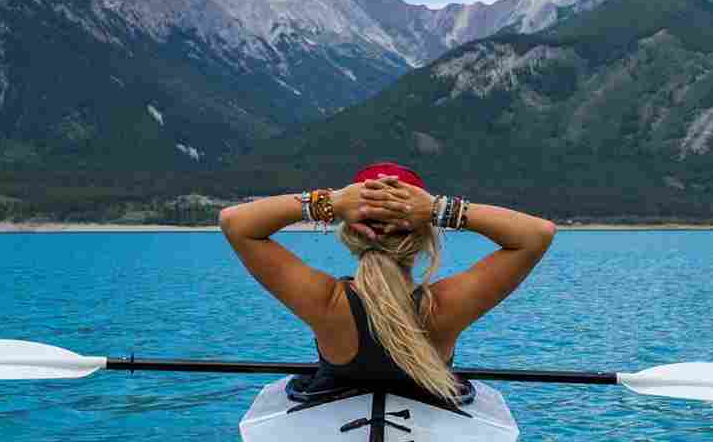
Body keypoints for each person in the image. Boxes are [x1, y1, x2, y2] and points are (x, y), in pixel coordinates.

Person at [218, 162, 556, 403]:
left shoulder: (325, 302)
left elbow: (235, 222)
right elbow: (537, 234)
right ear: (424, 233)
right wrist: (439, 208)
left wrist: (330, 202)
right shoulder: (445, 307)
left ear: (350, 231)